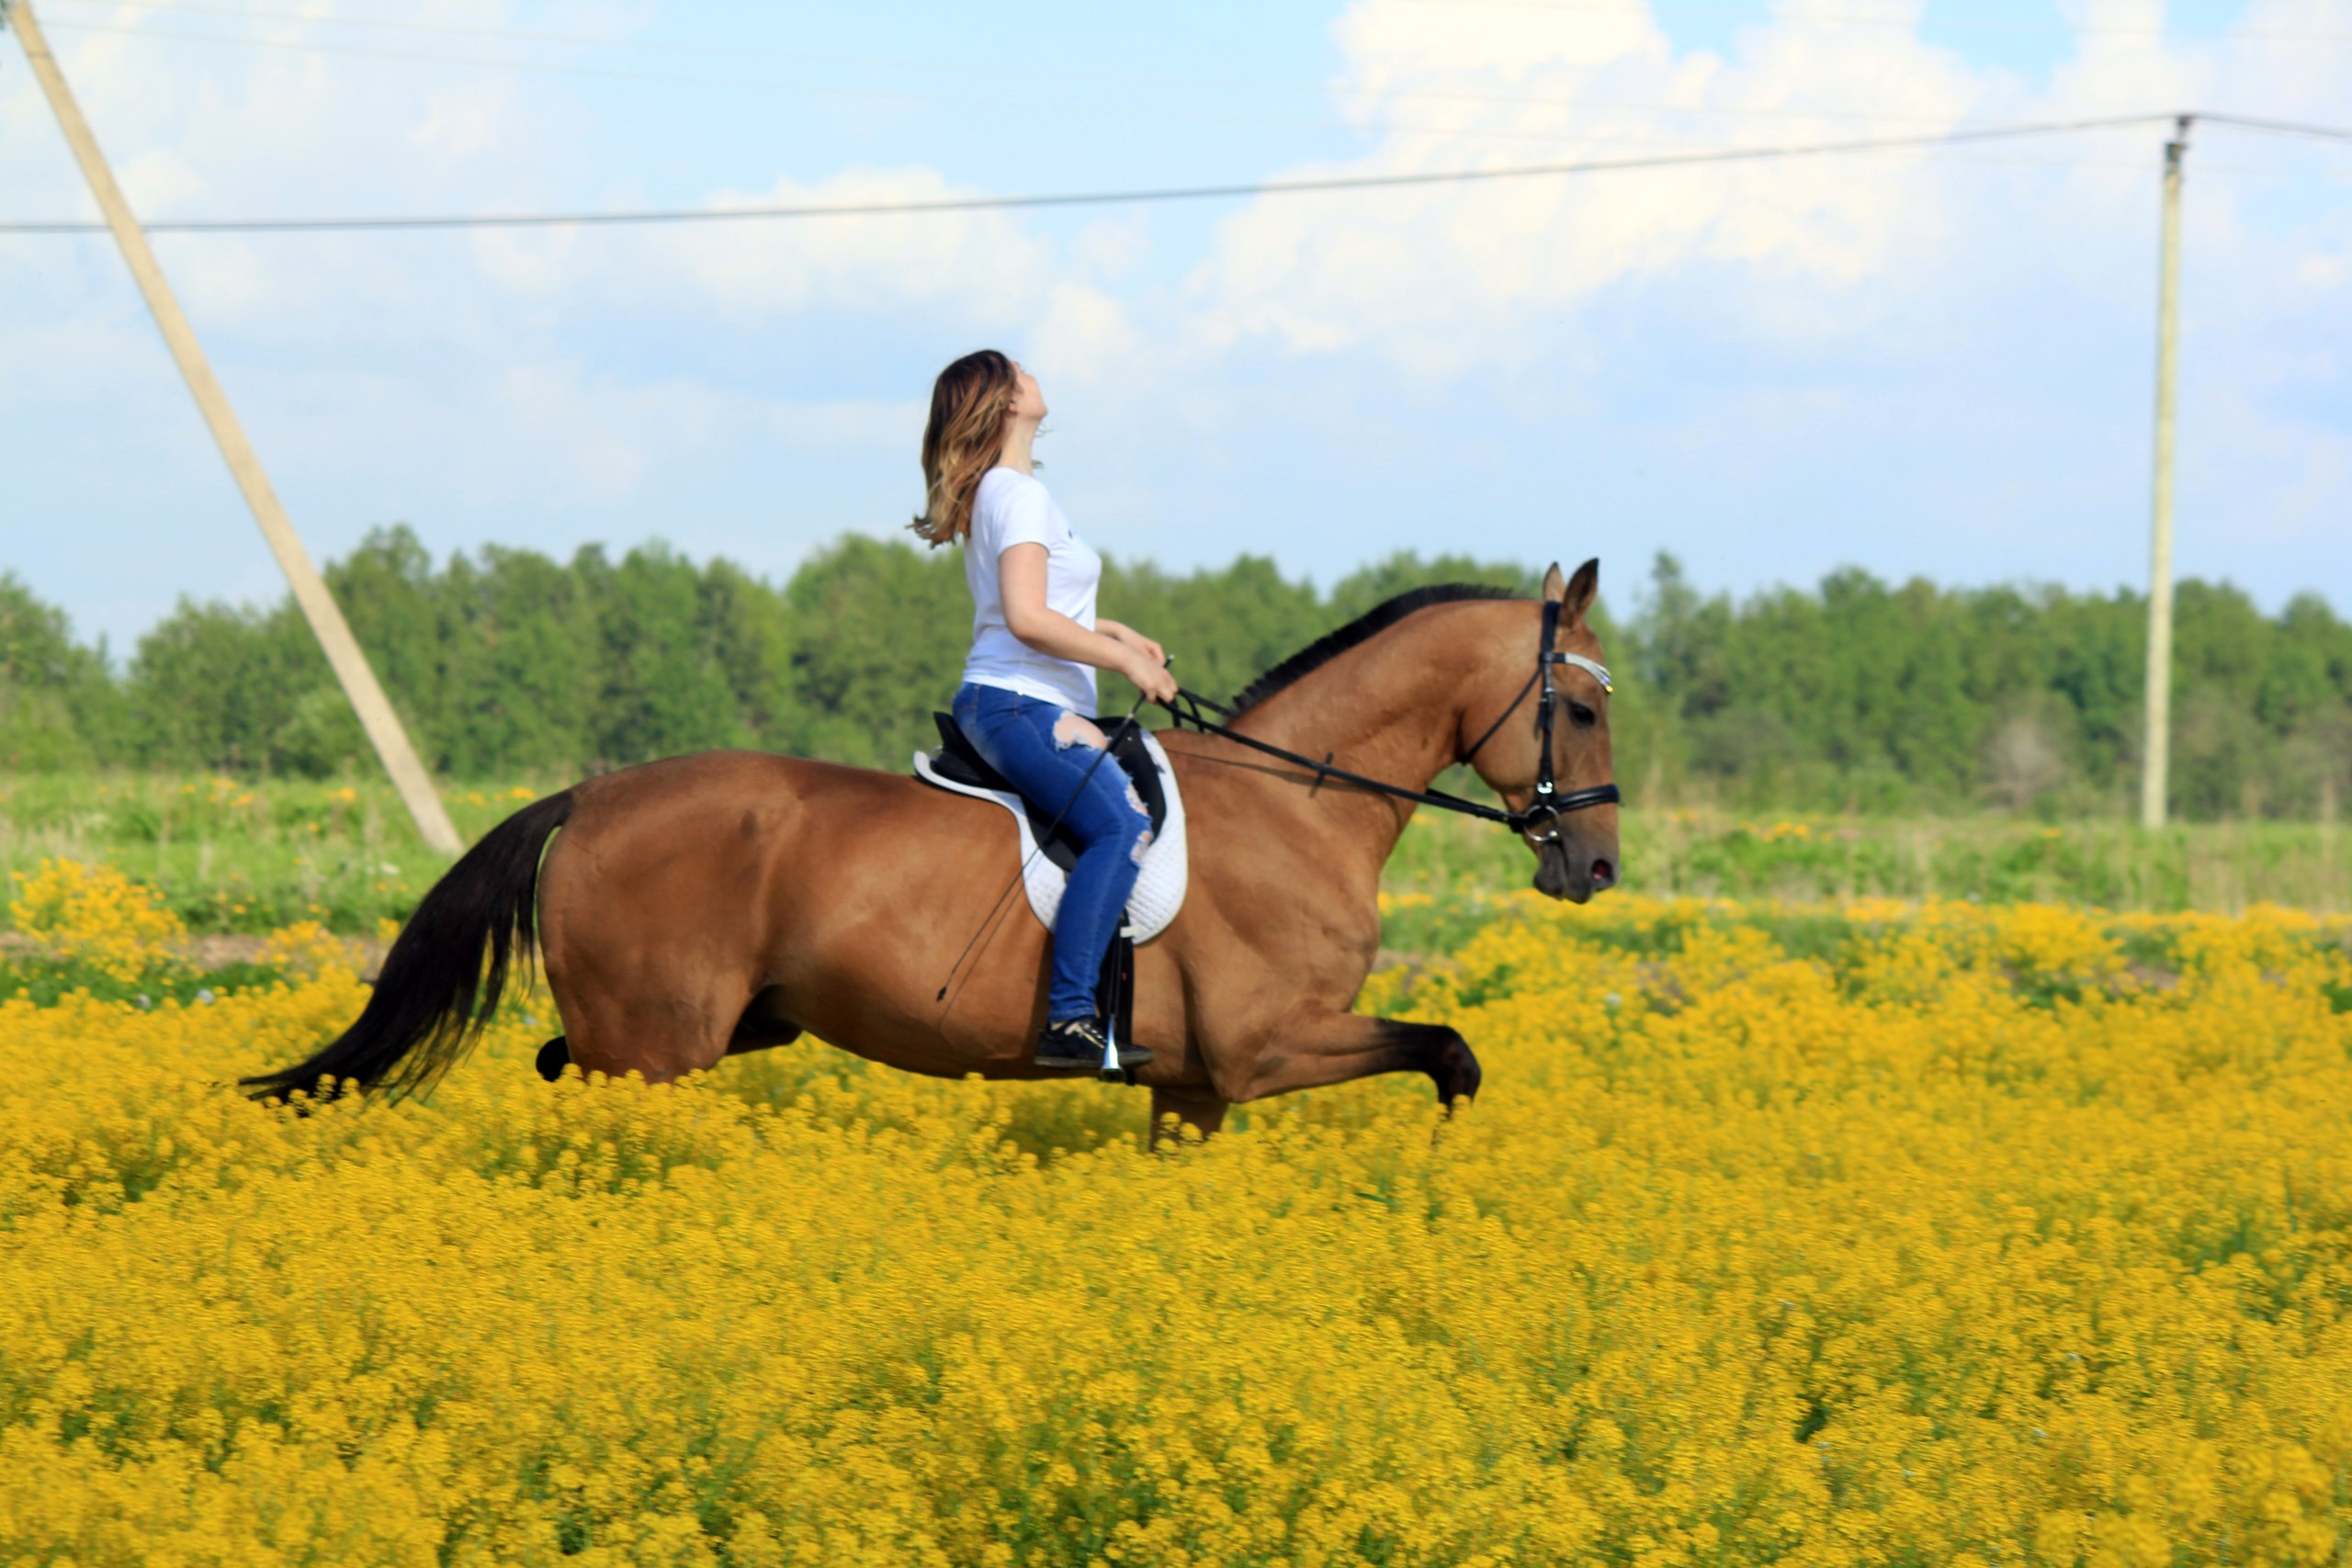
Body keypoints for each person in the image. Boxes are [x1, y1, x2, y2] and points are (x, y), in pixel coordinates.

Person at [912, 349, 1179, 1071]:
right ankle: (1069, 1018)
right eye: (1021, 372)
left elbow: (1028, 609)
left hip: (1016, 697)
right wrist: (1122, 661)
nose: (1035, 377)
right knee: (1121, 825)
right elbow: (1028, 620)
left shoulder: (1010, 491)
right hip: (1022, 704)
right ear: (1004, 401)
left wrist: (1112, 631)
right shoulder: (1018, 495)